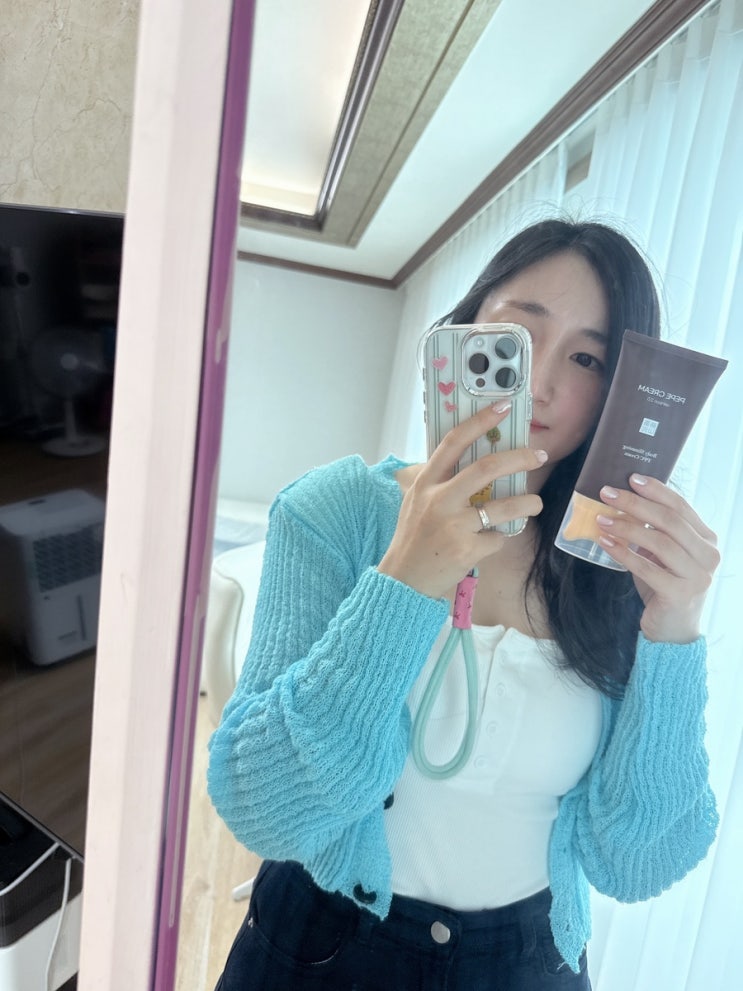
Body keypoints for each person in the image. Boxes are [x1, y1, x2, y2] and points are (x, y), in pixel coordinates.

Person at [207, 219, 720, 990]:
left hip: (527, 961)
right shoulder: (335, 511)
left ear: (619, 393)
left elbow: (636, 862)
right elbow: (264, 809)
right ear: (459, 336)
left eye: (586, 358)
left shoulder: (614, 566)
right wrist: (405, 578)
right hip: (321, 941)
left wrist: (674, 629)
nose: (539, 384)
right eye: (517, 336)